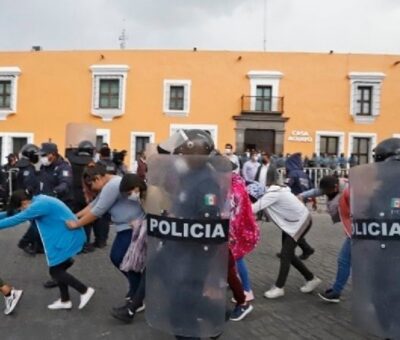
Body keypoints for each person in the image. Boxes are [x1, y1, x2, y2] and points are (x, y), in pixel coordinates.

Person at [66, 165, 144, 312]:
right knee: (121, 259)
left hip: (131, 227)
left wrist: (76, 224)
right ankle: (137, 291)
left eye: (92, 185)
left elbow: (97, 211)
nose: (92, 188)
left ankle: (138, 295)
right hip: (127, 227)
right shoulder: (111, 183)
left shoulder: (112, 185)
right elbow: (94, 205)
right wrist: (73, 216)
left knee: (120, 258)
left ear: (98, 178)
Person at [0, 190, 94, 310]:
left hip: (67, 238)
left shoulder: (39, 205)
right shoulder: (38, 200)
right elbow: (11, 214)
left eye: (21, 208)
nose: (22, 210)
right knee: (58, 269)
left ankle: (84, 290)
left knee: (55, 271)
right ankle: (65, 300)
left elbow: (16, 219)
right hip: (64, 236)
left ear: (24, 202)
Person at [250, 180, 321, 299]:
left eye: (251, 198)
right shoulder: (271, 193)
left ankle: (279, 287)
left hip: (300, 222)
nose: (251, 200)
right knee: (289, 255)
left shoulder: (272, 195)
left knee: (285, 254)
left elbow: (252, 209)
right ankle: (311, 278)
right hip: (293, 223)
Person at [299, 175, 350, 303]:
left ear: (335, 187)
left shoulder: (349, 191)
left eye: (327, 191)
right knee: (346, 261)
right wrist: (301, 195)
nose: (324, 193)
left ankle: (336, 291)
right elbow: (317, 191)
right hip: (357, 230)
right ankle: (336, 290)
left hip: (359, 231)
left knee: (344, 261)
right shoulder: (334, 187)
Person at [38, 142, 74, 288]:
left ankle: (58, 273)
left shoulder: (64, 167)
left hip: (60, 207)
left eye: (45, 155)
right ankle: (62, 266)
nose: (43, 158)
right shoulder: (44, 167)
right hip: (47, 207)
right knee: (50, 241)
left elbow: (65, 184)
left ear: (53, 154)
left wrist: (54, 192)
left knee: (55, 241)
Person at [284, 153, 315, 260]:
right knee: (290, 228)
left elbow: (286, 186)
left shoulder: (292, 173)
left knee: (289, 228)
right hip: (303, 205)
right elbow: (312, 189)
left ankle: (306, 249)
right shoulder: (304, 174)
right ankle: (286, 250)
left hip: (292, 204)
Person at [15, 144, 42, 255]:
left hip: (24, 198)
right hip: (29, 199)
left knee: (37, 222)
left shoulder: (21, 166)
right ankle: (25, 242)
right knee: (37, 222)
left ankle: (36, 245)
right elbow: (29, 186)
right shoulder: (28, 169)